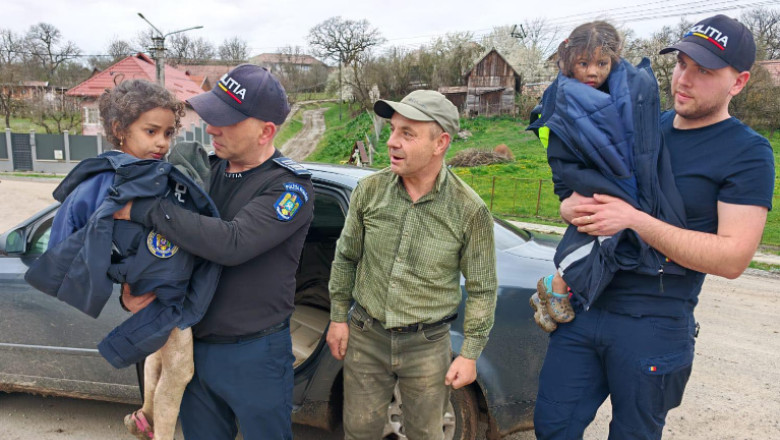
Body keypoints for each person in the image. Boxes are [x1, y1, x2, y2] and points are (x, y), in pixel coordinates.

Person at [533, 15, 775, 439]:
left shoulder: (748, 153)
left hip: (655, 321)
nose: (684, 79)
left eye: (704, 71)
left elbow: (733, 257)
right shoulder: (644, 124)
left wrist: (636, 221)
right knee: (552, 427)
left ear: (738, 82)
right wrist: (570, 207)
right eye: (681, 63)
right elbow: (593, 190)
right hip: (586, 308)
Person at [116, 64, 314, 440]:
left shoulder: (289, 188)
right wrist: (130, 291)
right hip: (192, 349)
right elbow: (156, 246)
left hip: (254, 354)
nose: (211, 129)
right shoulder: (200, 173)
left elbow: (232, 243)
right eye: (211, 117)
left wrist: (147, 210)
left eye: (226, 121)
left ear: (265, 131)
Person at [24, 79, 220, 440]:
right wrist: (120, 277)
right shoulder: (110, 180)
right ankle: (157, 431)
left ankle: (144, 418)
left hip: (170, 285)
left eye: (168, 133)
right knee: (180, 370)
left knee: (159, 354)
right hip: (163, 293)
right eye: (151, 131)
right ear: (119, 130)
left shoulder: (157, 175)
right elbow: (74, 227)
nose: (162, 143)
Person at [326, 90, 498, 440]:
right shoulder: (369, 191)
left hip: (427, 344)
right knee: (359, 431)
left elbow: (482, 288)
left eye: (407, 133)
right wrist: (338, 316)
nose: (392, 142)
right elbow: (346, 256)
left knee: (426, 434)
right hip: (366, 334)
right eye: (392, 130)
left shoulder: (469, 210)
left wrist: (470, 354)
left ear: (440, 143)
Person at [526, 21, 688, 333]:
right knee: (600, 227)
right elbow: (560, 149)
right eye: (583, 64)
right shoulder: (560, 97)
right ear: (569, 61)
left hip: (620, 172)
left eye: (601, 63)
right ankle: (556, 283)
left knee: (613, 231)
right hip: (583, 176)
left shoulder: (627, 88)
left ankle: (555, 287)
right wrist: (569, 192)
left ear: (614, 59)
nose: (592, 72)